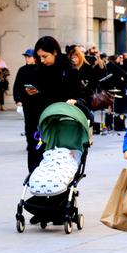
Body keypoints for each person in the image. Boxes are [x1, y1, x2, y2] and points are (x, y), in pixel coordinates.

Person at [23, 37, 82, 172]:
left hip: (62, 122)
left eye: (45, 56)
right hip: (39, 122)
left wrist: (74, 101)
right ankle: (36, 181)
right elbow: (30, 97)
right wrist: (30, 93)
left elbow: (78, 95)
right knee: (36, 156)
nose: (42, 60)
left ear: (55, 52)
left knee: (60, 160)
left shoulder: (69, 71)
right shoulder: (37, 70)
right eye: (39, 57)